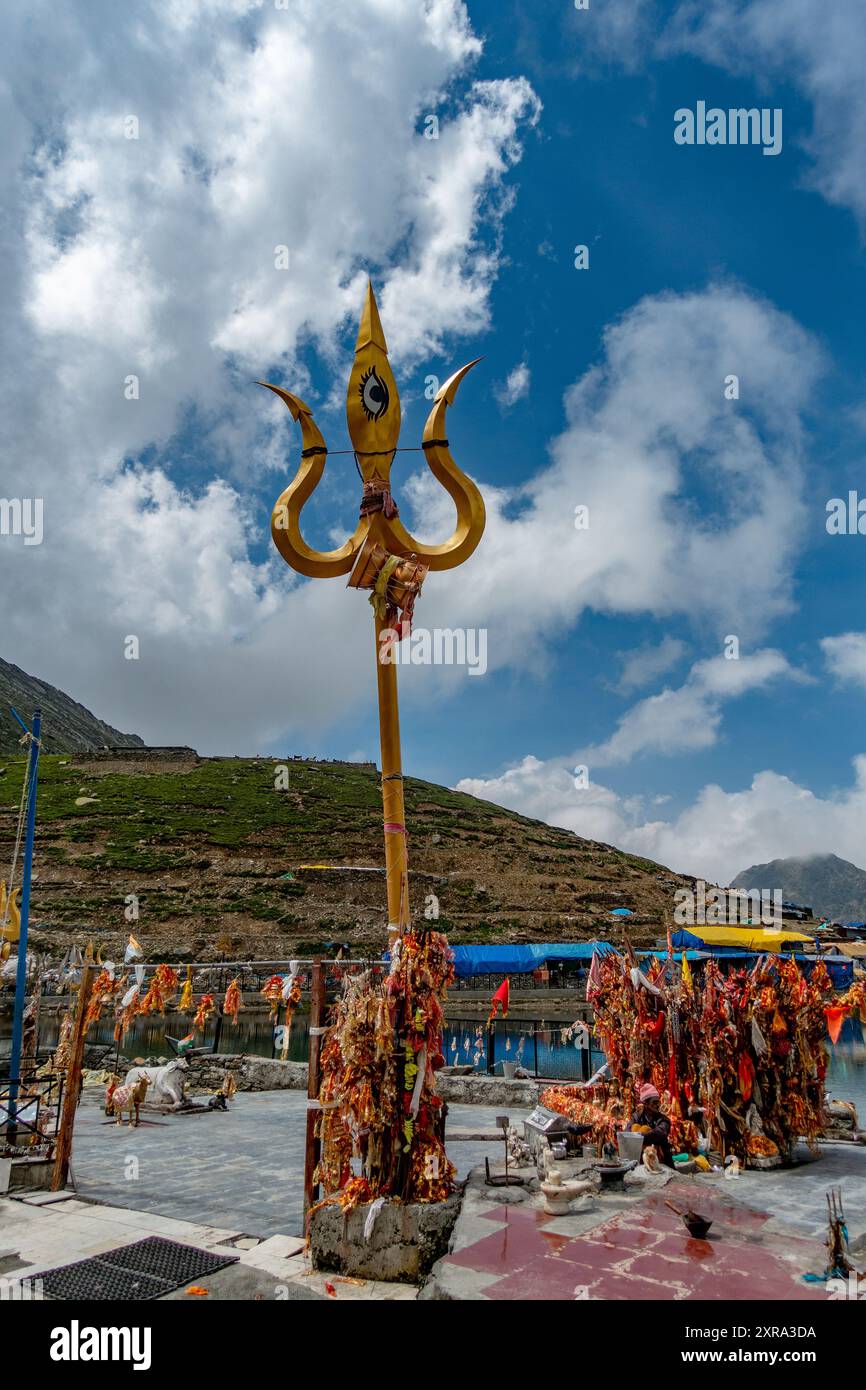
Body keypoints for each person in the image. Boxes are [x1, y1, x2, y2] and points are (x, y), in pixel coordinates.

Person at [629, 1083, 674, 1168]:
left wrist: (638, 1136)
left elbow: (660, 1133)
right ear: (646, 1104)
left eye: (658, 1102)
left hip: (661, 1161)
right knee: (634, 1127)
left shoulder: (663, 1119)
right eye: (654, 1102)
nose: (658, 1105)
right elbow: (627, 1131)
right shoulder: (636, 1116)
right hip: (639, 1159)